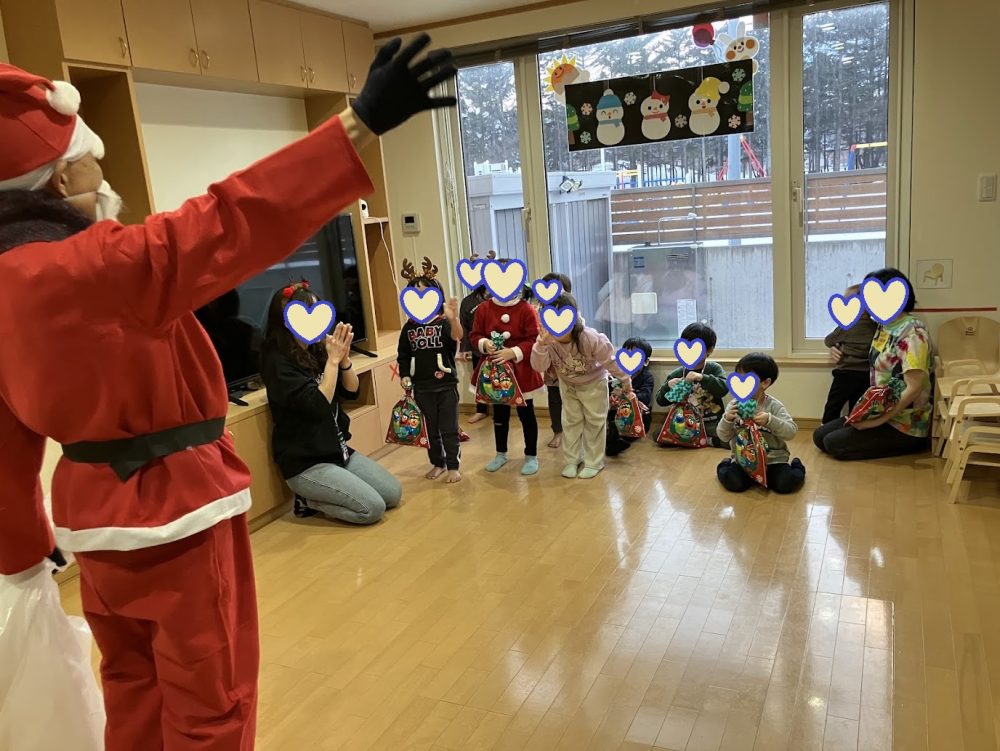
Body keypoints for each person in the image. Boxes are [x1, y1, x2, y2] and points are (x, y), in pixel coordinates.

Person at [0, 36, 455, 750]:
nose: (104, 175)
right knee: (211, 703)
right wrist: (356, 124)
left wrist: (22, 554)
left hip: (90, 523)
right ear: (59, 179)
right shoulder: (103, 262)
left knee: (132, 688)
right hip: (176, 512)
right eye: (93, 160)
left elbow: (5, 444)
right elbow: (232, 217)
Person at [262, 282, 402, 522]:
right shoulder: (277, 362)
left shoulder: (316, 349)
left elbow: (352, 390)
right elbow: (318, 405)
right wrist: (333, 361)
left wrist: (344, 360)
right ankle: (307, 499)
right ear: (286, 321)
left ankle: (329, 490)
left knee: (393, 494)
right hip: (306, 463)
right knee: (372, 509)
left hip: (337, 450)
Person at [813, 268, 933, 460]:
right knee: (820, 436)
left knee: (832, 443)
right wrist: (836, 347)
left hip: (904, 423)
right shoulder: (883, 325)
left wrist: (876, 422)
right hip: (878, 411)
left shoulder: (913, 332)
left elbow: (914, 388)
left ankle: (910, 443)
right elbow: (853, 339)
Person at [530, 292, 632, 479]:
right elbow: (539, 367)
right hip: (568, 385)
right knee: (570, 423)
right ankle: (572, 460)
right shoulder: (546, 340)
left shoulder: (589, 338)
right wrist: (541, 346)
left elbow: (610, 360)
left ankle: (594, 462)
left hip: (594, 384)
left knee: (595, 422)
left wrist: (625, 379)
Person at [471, 265, 544, 475]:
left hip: (521, 371)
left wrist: (513, 352)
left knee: (526, 414)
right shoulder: (484, 308)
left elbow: (534, 339)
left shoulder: (526, 309)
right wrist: (485, 343)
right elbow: (475, 335)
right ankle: (500, 453)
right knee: (500, 414)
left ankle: (531, 455)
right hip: (494, 371)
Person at [397, 258, 463, 483]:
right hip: (422, 387)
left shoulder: (443, 322)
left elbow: (457, 337)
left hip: (446, 385)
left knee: (449, 429)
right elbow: (403, 354)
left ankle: (453, 466)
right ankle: (438, 463)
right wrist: (405, 375)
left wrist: (454, 320)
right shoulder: (409, 328)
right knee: (430, 430)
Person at [716, 353, 806, 494]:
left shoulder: (773, 406)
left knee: (785, 484)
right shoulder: (734, 405)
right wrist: (727, 419)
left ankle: (797, 465)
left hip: (773, 460)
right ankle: (725, 464)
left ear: (765, 383)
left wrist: (770, 420)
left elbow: (791, 432)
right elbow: (723, 436)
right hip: (743, 460)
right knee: (734, 483)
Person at [655, 322, 729, 447]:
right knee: (658, 435)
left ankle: (699, 439)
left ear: (710, 350)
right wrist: (668, 386)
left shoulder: (714, 368)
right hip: (684, 421)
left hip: (711, 422)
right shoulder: (678, 373)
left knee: (728, 437)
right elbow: (660, 401)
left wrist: (702, 377)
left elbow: (724, 388)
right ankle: (699, 439)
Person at [821, 284, 878, 424]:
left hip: (845, 373)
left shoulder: (846, 326)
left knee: (834, 403)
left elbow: (828, 340)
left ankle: (826, 425)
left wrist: (835, 345)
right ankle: (852, 427)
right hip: (866, 375)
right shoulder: (876, 327)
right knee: (857, 405)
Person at [533, 272, 573, 449]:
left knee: (572, 400)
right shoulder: (540, 313)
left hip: (570, 365)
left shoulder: (572, 312)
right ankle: (558, 431)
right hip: (550, 363)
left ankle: (574, 431)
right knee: (555, 399)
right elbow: (539, 340)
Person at [459, 252, 492, 425]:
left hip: (498, 345)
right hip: (477, 346)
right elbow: (464, 327)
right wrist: (464, 349)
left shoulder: (496, 297)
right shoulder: (467, 302)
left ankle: (504, 407)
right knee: (480, 379)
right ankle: (481, 409)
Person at [607, 335, 654, 456]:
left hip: (639, 416)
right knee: (613, 423)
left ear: (645, 362)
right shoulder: (617, 375)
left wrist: (628, 394)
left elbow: (646, 396)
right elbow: (608, 392)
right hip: (617, 414)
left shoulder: (647, 377)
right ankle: (613, 440)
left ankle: (615, 440)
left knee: (629, 430)